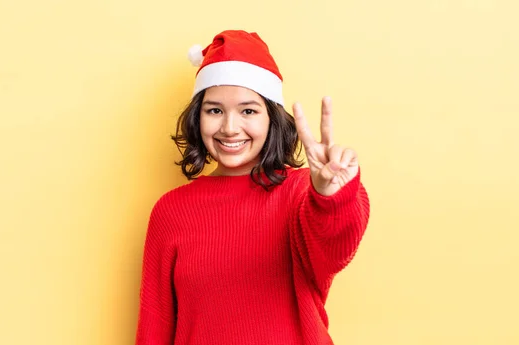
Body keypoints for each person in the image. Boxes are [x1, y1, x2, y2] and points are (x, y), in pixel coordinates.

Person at [135, 30, 370, 345]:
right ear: (197, 118)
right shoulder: (171, 210)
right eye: (215, 110)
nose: (230, 128)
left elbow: (335, 247)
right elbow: (155, 327)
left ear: (272, 119)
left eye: (248, 111)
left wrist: (330, 196)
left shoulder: (302, 193)